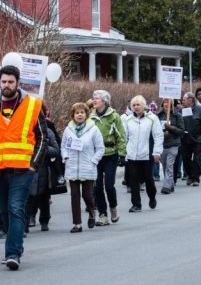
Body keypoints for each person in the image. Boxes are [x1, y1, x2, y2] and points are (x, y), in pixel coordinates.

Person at [0, 65, 47, 270]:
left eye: (10, 82)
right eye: (3, 81)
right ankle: (16, 246)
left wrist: (34, 165)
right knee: (5, 212)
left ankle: (12, 253)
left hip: (22, 169)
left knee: (15, 208)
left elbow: (42, 138)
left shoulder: (33, 105)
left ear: (18, 83)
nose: (6, 85)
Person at [61, 103, 104, 232]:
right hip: (72, 167)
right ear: (73, 115)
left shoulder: (93, 129)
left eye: (82, 112)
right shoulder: (68, 130)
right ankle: (77, 224)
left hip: (88, 167)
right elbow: (63, 146)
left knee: (87, 195)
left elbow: (100, 148)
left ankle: (92, 212)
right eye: (77, 113)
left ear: (86, 114)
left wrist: (94, 161)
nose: (80, 115)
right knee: (74, 195)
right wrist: (66, 157)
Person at [89, 90, 125, 225]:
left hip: (111, 154)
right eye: (93, 98)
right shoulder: (90, 117)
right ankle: (103, 215)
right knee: (97, 186)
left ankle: (113, 208)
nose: (94, 100)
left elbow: (121, 136)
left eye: (96, 98)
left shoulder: (113, 116)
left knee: (109, 185)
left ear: (104, 101)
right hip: (96, 156)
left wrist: (122, 153)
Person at [124, 95, 163, 212]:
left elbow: (158, 136)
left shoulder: (152, 118)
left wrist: (157, 152)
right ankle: (136, 204)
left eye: (138, 105)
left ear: (143, 105)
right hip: (132, 155)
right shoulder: (128, 120)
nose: (136, 107)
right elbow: (124, 137)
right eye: (134, 105)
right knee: (133, 180)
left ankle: (152, 197)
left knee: (148, 179)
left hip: (147, 154)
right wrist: (124, 153)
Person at [27, 102, 62, 231]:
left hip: (44, 167)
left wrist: (42, 148)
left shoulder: (48, 131)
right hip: (28, 166)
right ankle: (30, 216)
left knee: (43, 195)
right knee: (30, 194)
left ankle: (44, 219)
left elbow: (55, 150)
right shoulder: (25, 130)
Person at [179, 92, 201, 187]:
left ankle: (196, 178)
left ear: (190, 100)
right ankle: (190, 175)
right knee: (185, 159)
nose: (182, 101)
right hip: (185, 140)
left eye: (184, 99)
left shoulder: (200, 110)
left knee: (197, 159)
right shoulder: (181, 110)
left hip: (198, 140)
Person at [156, 99, 184, 194]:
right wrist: (163, 133)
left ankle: (166, 186)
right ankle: (170, 184)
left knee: (169, 165)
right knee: (164, 165)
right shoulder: (158, 115)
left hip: (174, 144)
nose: (166, 104)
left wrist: (171, 128)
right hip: (163, 144)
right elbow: (155, 130)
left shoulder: (177, 115)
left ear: (172, 104)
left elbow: (181, 131)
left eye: (168, 102)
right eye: (164, 102)